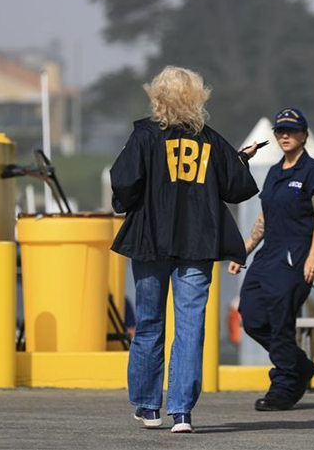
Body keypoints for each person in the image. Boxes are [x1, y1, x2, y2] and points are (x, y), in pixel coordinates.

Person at [111, 66, 259, 433]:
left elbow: (123, 182)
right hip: (198, 242)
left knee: (148, 324)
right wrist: (241, 158)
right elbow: (236, 188)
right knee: (190, 326)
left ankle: (148, 407)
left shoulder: (144, 136)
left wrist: (130, 201)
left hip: (150, 242)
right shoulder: (209, 139)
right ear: (198, 99)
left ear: (157, 97)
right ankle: (182, 412)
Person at [229, 107, 314, 411]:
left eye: (291, 131)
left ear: (304, 135)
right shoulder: (274, 171)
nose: (285, 136)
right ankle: (299, 364)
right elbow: (264, 216)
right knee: (250, 314)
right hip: (267, 254)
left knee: (280, 321)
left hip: (295, 256)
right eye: (280, 131)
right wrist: (243, 249)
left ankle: (286, 384)